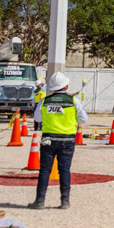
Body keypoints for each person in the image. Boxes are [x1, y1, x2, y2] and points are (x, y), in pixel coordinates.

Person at [28, 72, 87, 209]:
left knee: (44, 170)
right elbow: (83, 119)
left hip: (48, 139)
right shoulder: (73, 101)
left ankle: (40, 201)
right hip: (67, 140)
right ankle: (65, 201)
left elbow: (37, 119)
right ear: (66, 86)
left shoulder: (44, 101)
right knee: (64, 170)